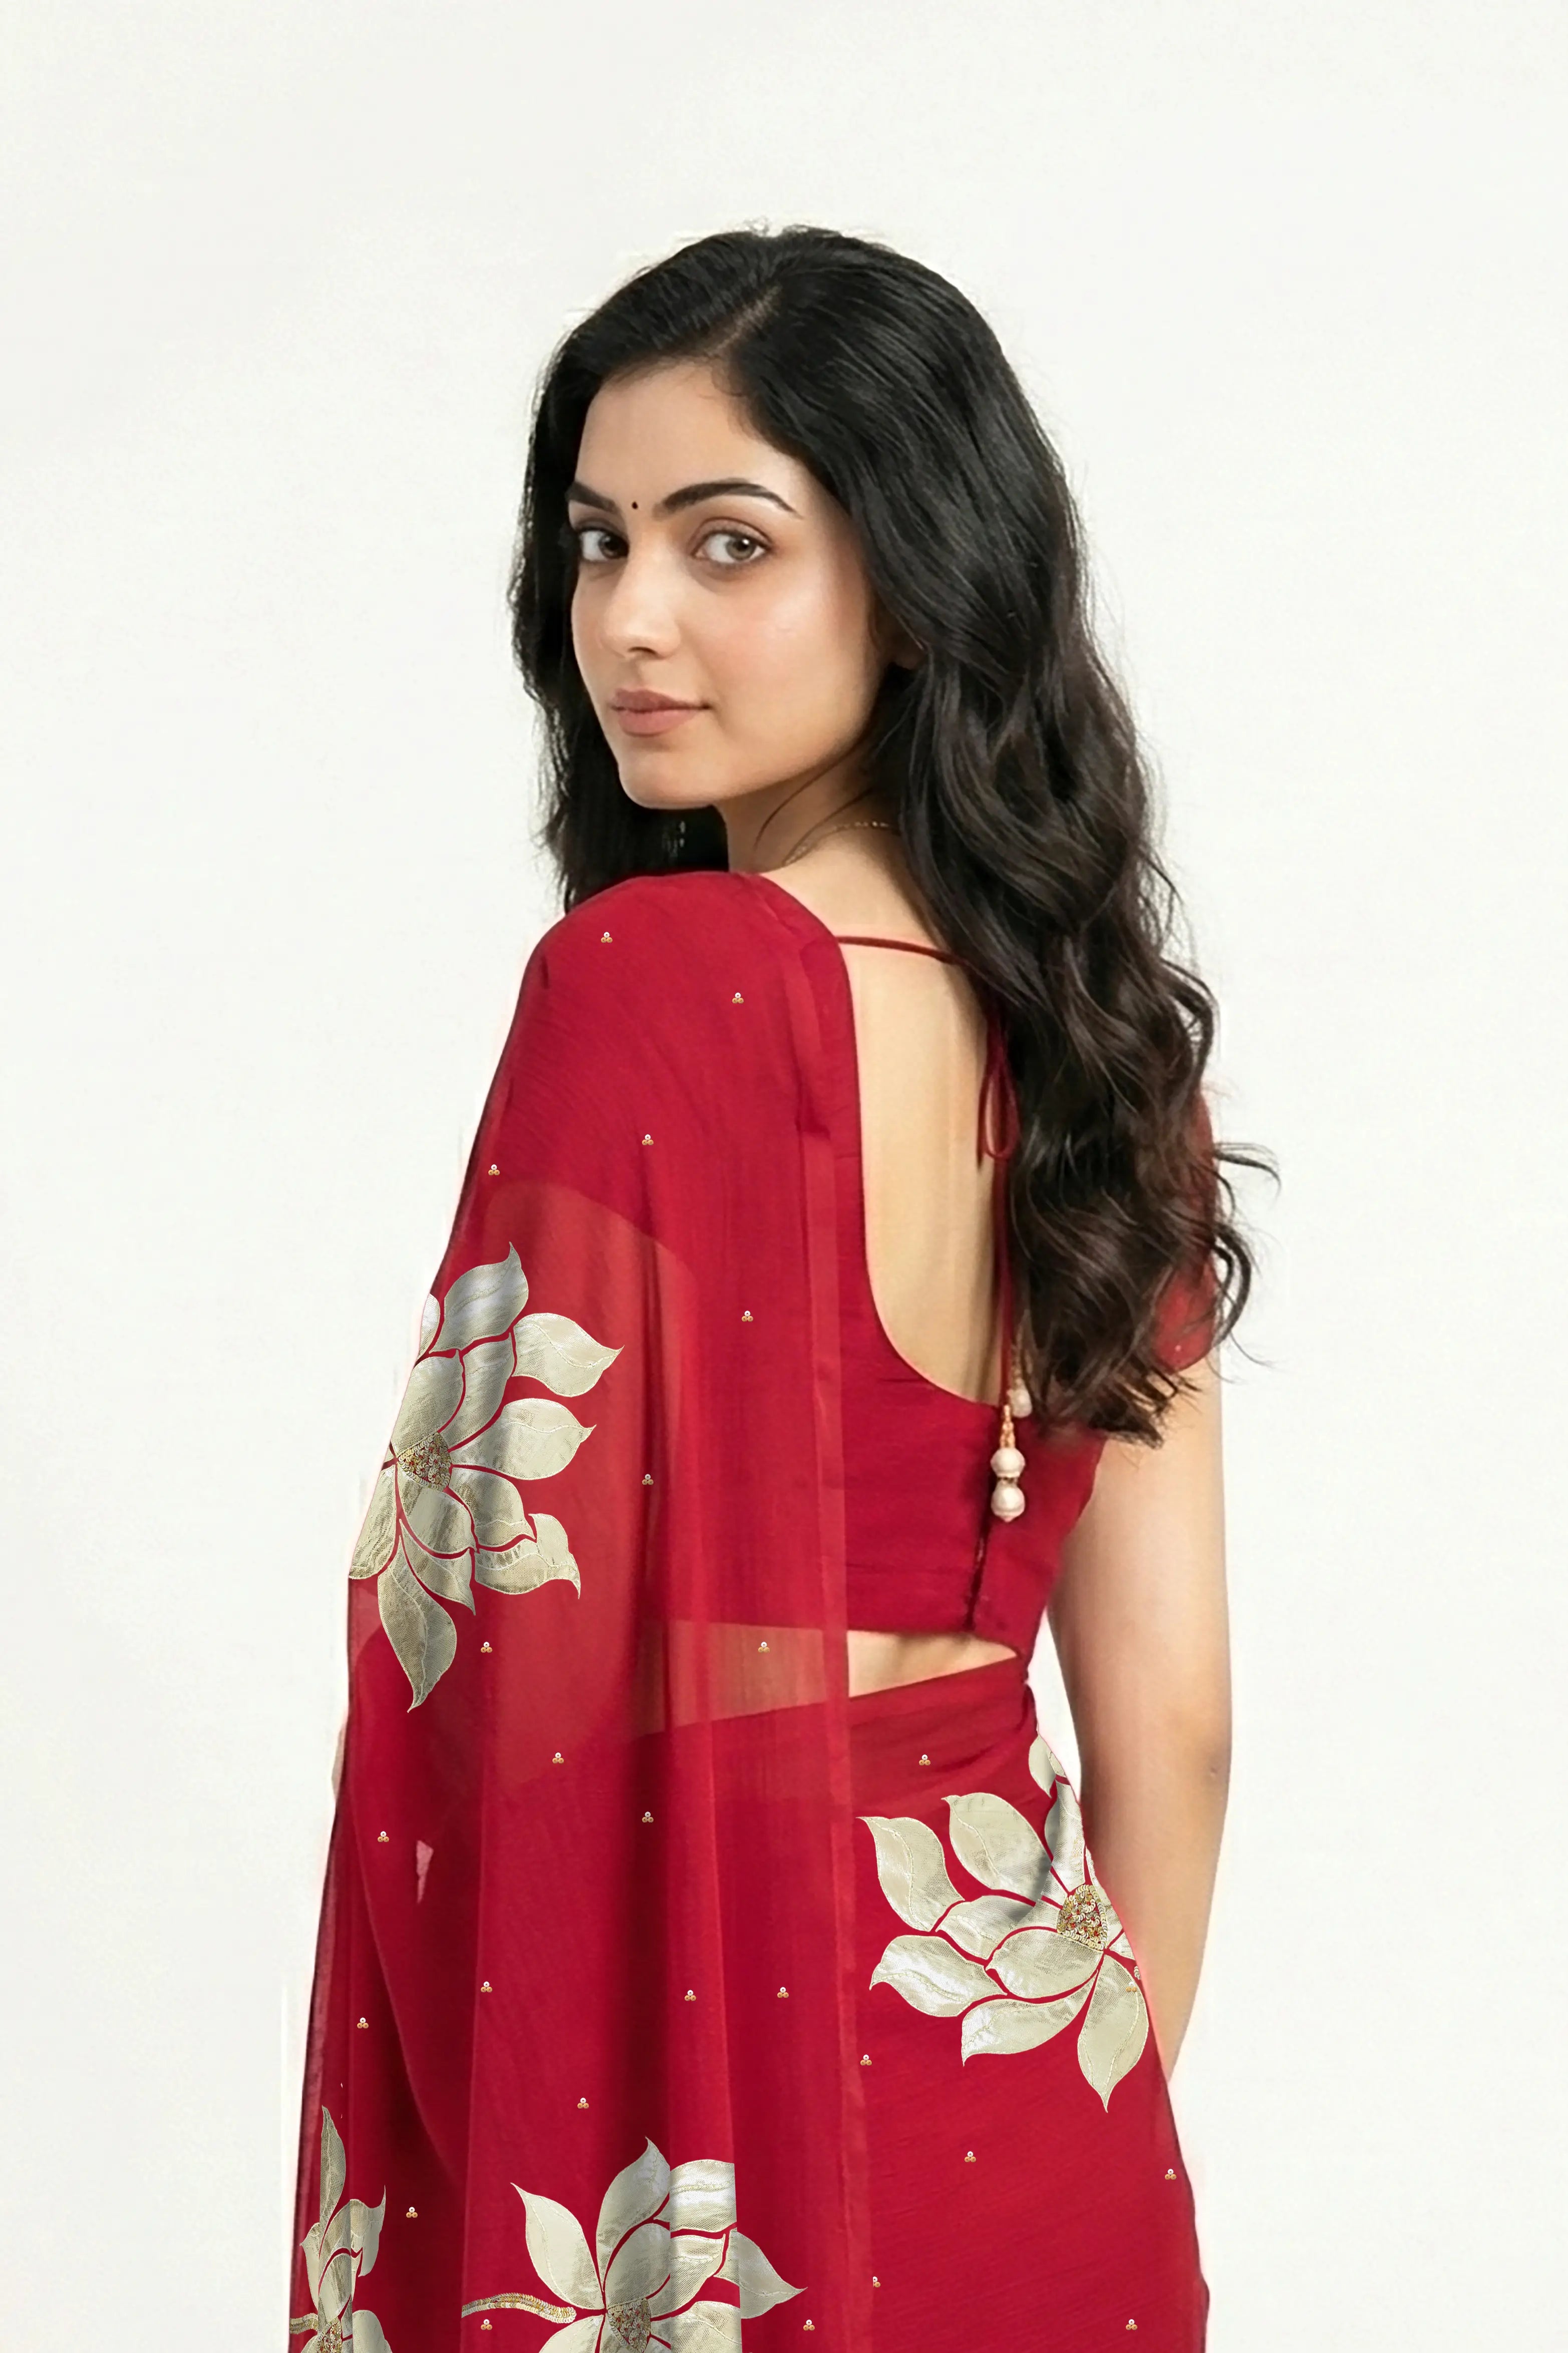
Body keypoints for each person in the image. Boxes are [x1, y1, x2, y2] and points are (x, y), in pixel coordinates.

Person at [289, 225, 1258, 2353]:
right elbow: (1169, 1713)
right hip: (1047, 2107)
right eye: (598, 540)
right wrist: (1082, 2085)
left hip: (703, 2151)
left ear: (916, 582)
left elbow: (489, 1637)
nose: (632, 617)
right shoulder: (1116, 1065)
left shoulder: (663, 986)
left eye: (729, 544)